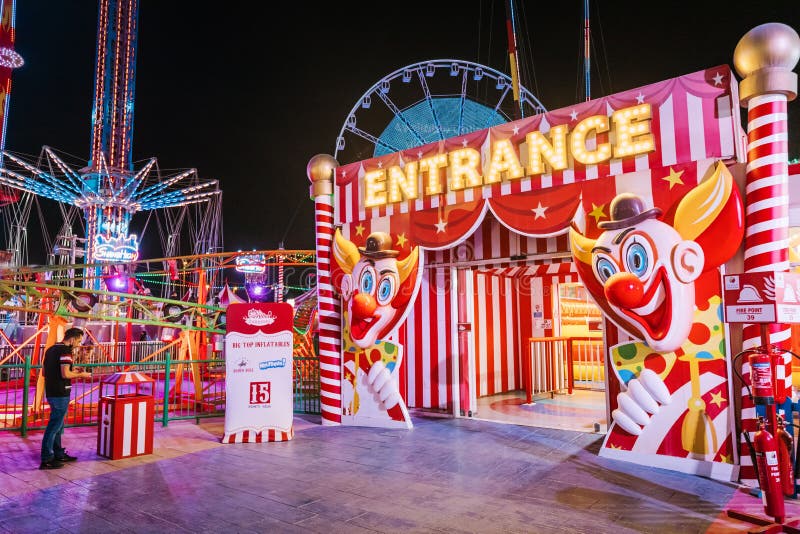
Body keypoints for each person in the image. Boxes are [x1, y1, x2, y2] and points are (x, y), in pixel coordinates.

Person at [39, 327, 91, 470]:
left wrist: (71, 371)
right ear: (72, 338)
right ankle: (47, 458)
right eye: (79, 341)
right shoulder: (65, 352)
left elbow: (45, 372)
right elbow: (65, 374)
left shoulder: (50, 350)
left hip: (51, 391)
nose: (79, 344)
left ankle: (58, 453)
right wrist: (81, 375)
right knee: (54, 427)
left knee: (58, 425)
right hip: (60, 392)